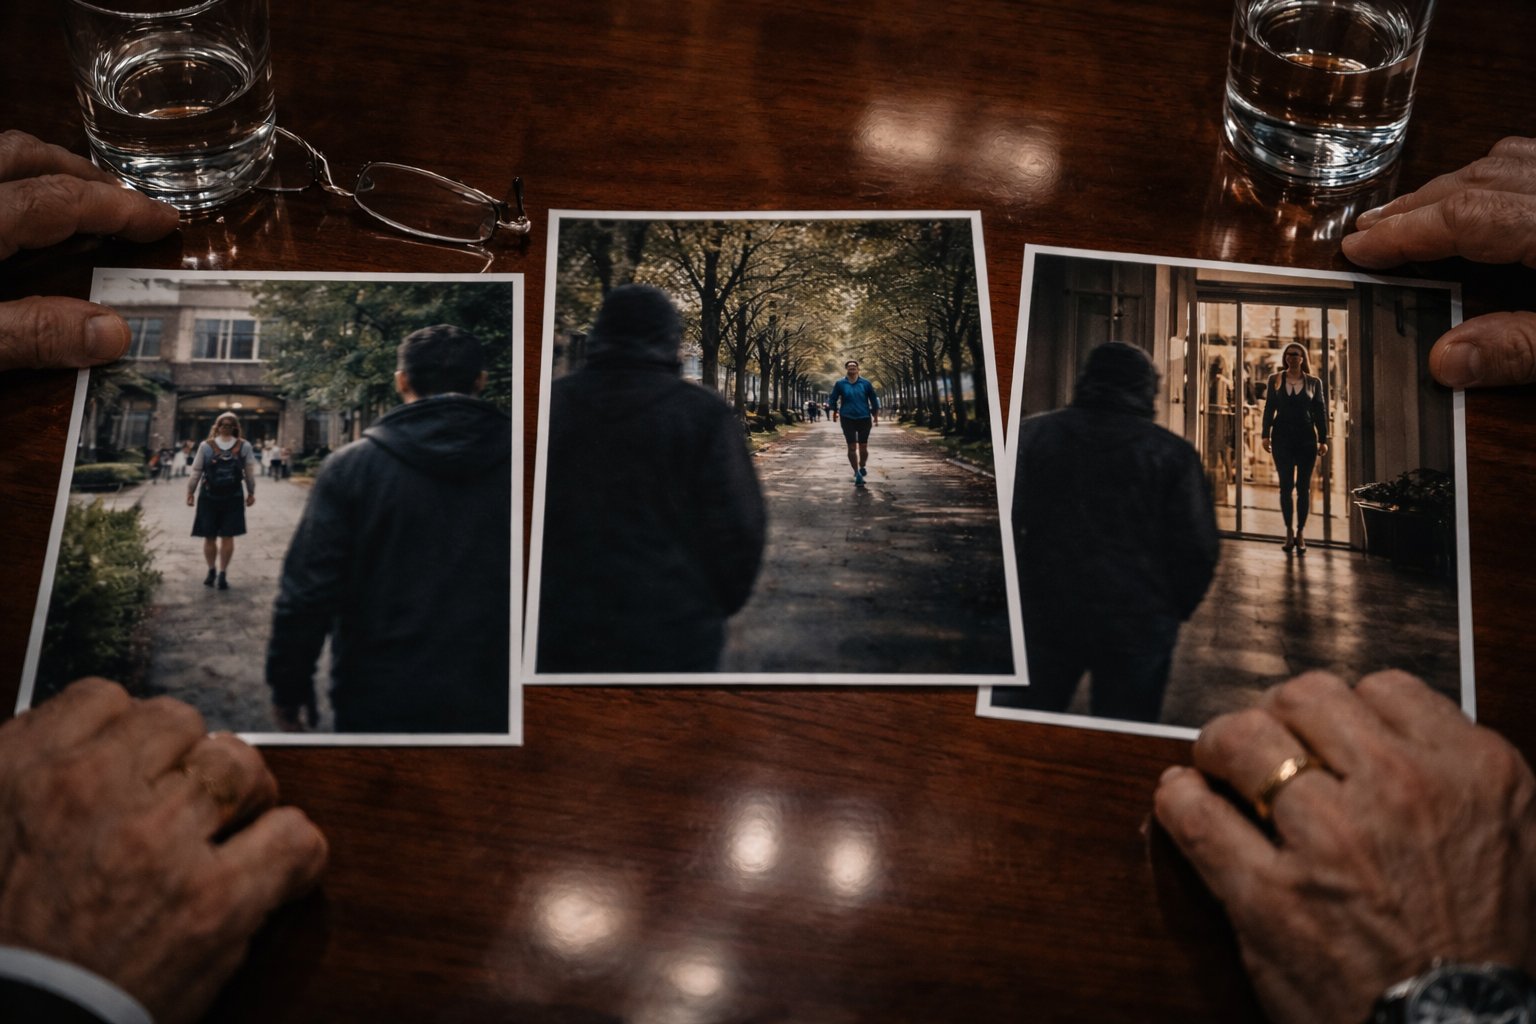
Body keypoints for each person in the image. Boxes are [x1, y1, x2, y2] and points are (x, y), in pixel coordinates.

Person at [1154, 135, 1536, 1024]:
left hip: (1299, 453)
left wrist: (1317, 442)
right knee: (1284, 492)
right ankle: (1289, 536)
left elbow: (1316, 426)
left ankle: (1292, 531)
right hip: (1278, 447)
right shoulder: (1273, 386)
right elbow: (1262, 415)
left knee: (1293, 492)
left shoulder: (1312, 388)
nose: (1290, 364)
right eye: (1286, 364)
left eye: (1290, 362)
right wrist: (1266, 419)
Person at [1, 130, 326, 1024]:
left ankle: (221, 572)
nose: (228, 427)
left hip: (228, 510)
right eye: (225, 425)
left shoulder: (240, 445)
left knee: (223, 543)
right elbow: (198, 468)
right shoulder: (201, 436)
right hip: (211, 507)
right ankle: (217, 573)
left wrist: (252, 480)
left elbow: (251, 471)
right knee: (215, 542)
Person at [265, 324, 513, 733]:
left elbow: (308, 592)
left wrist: (289, 686)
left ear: (401, 381)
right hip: (499, 694)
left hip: (380, 692)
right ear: (481, 381)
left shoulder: (351, 468)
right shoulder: (534, 462)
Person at [536, 284, 766, 673]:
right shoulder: (701, 413)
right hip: (673, 626)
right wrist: (710, 605)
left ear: (600, 334)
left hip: (559, 625)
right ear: (670, 338)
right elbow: (739, 525)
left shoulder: (548, 406)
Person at [994, 342, 1219, 722]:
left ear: (1088, 380)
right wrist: (1170, 609)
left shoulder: (1031, 436)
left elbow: (1001, 526)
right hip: (1137, 621)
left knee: (1017, 724)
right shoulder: (1173, 455)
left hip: (1044, 611)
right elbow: (1197, 547)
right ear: (1147, 388)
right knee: (1122, 734)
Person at [1261, 342, 1328, 553]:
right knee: (1285, 486)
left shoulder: (1314, 382)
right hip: (1282, 438)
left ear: (1303, 358)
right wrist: (1265, 435)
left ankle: (1301, 532)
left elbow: (1320, 411)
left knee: (1303, 488)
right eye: (1289, 354)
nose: (1293, 357)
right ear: (1285, 357)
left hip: (1306, 438)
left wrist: (1323, 439)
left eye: (1297, 355)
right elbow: (1269, 408)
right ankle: (1289, 531)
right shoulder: (1275, 379)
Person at [186, 412, 257, 591]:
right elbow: (249, 473)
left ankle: (211, 570)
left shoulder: (206, 445)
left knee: (209, 536)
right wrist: (251, 492)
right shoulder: (244, 445)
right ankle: (223, 573)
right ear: (235, 427)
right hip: (233, 496)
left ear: (217, 426)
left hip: (208, 495)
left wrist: (190, 492)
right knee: (228, 536)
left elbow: (197, 471)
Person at [829, 359, 879, 485]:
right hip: (847, 417)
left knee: (863, 446)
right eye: (849, 367)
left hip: (864, 417)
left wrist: (875, 413)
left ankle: (862, 465)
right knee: (851, 446)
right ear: (846, 369)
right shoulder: (840, 383)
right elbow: (833, 398)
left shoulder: (866, 383)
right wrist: (834, 411)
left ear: (858, 369)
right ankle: (856, 473)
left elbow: (873, 399)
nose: (852, 368)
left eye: (854, 367)